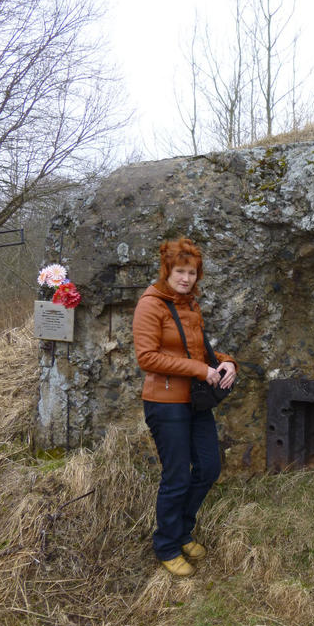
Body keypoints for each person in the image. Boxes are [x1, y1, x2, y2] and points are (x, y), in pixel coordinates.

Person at [132, 237, 237, 577]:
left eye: (191, 272)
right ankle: (166, 544)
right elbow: (146, 357)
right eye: (179, 271)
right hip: (165, 403)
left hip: (195, 401)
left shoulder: (190, 305)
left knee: (208, 468)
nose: (186, 278)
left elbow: (198, 351)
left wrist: (226, 362)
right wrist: (200, 371)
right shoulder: (151, 305)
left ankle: (182, 530)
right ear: (167, 270)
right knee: (177, 476)